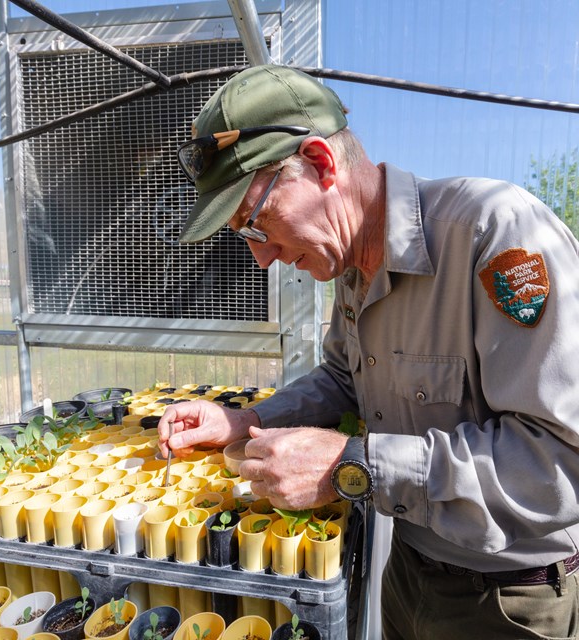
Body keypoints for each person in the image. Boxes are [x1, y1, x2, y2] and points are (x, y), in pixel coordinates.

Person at [158, 64, 579, 639]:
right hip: (407, 572)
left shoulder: (494, 233)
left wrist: (351, 465)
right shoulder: (353, 268)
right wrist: (246, 419)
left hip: (508, 598)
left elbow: (561, 457)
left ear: (320, 164)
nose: (261, 258)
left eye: (255, 224)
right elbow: (342, 378)